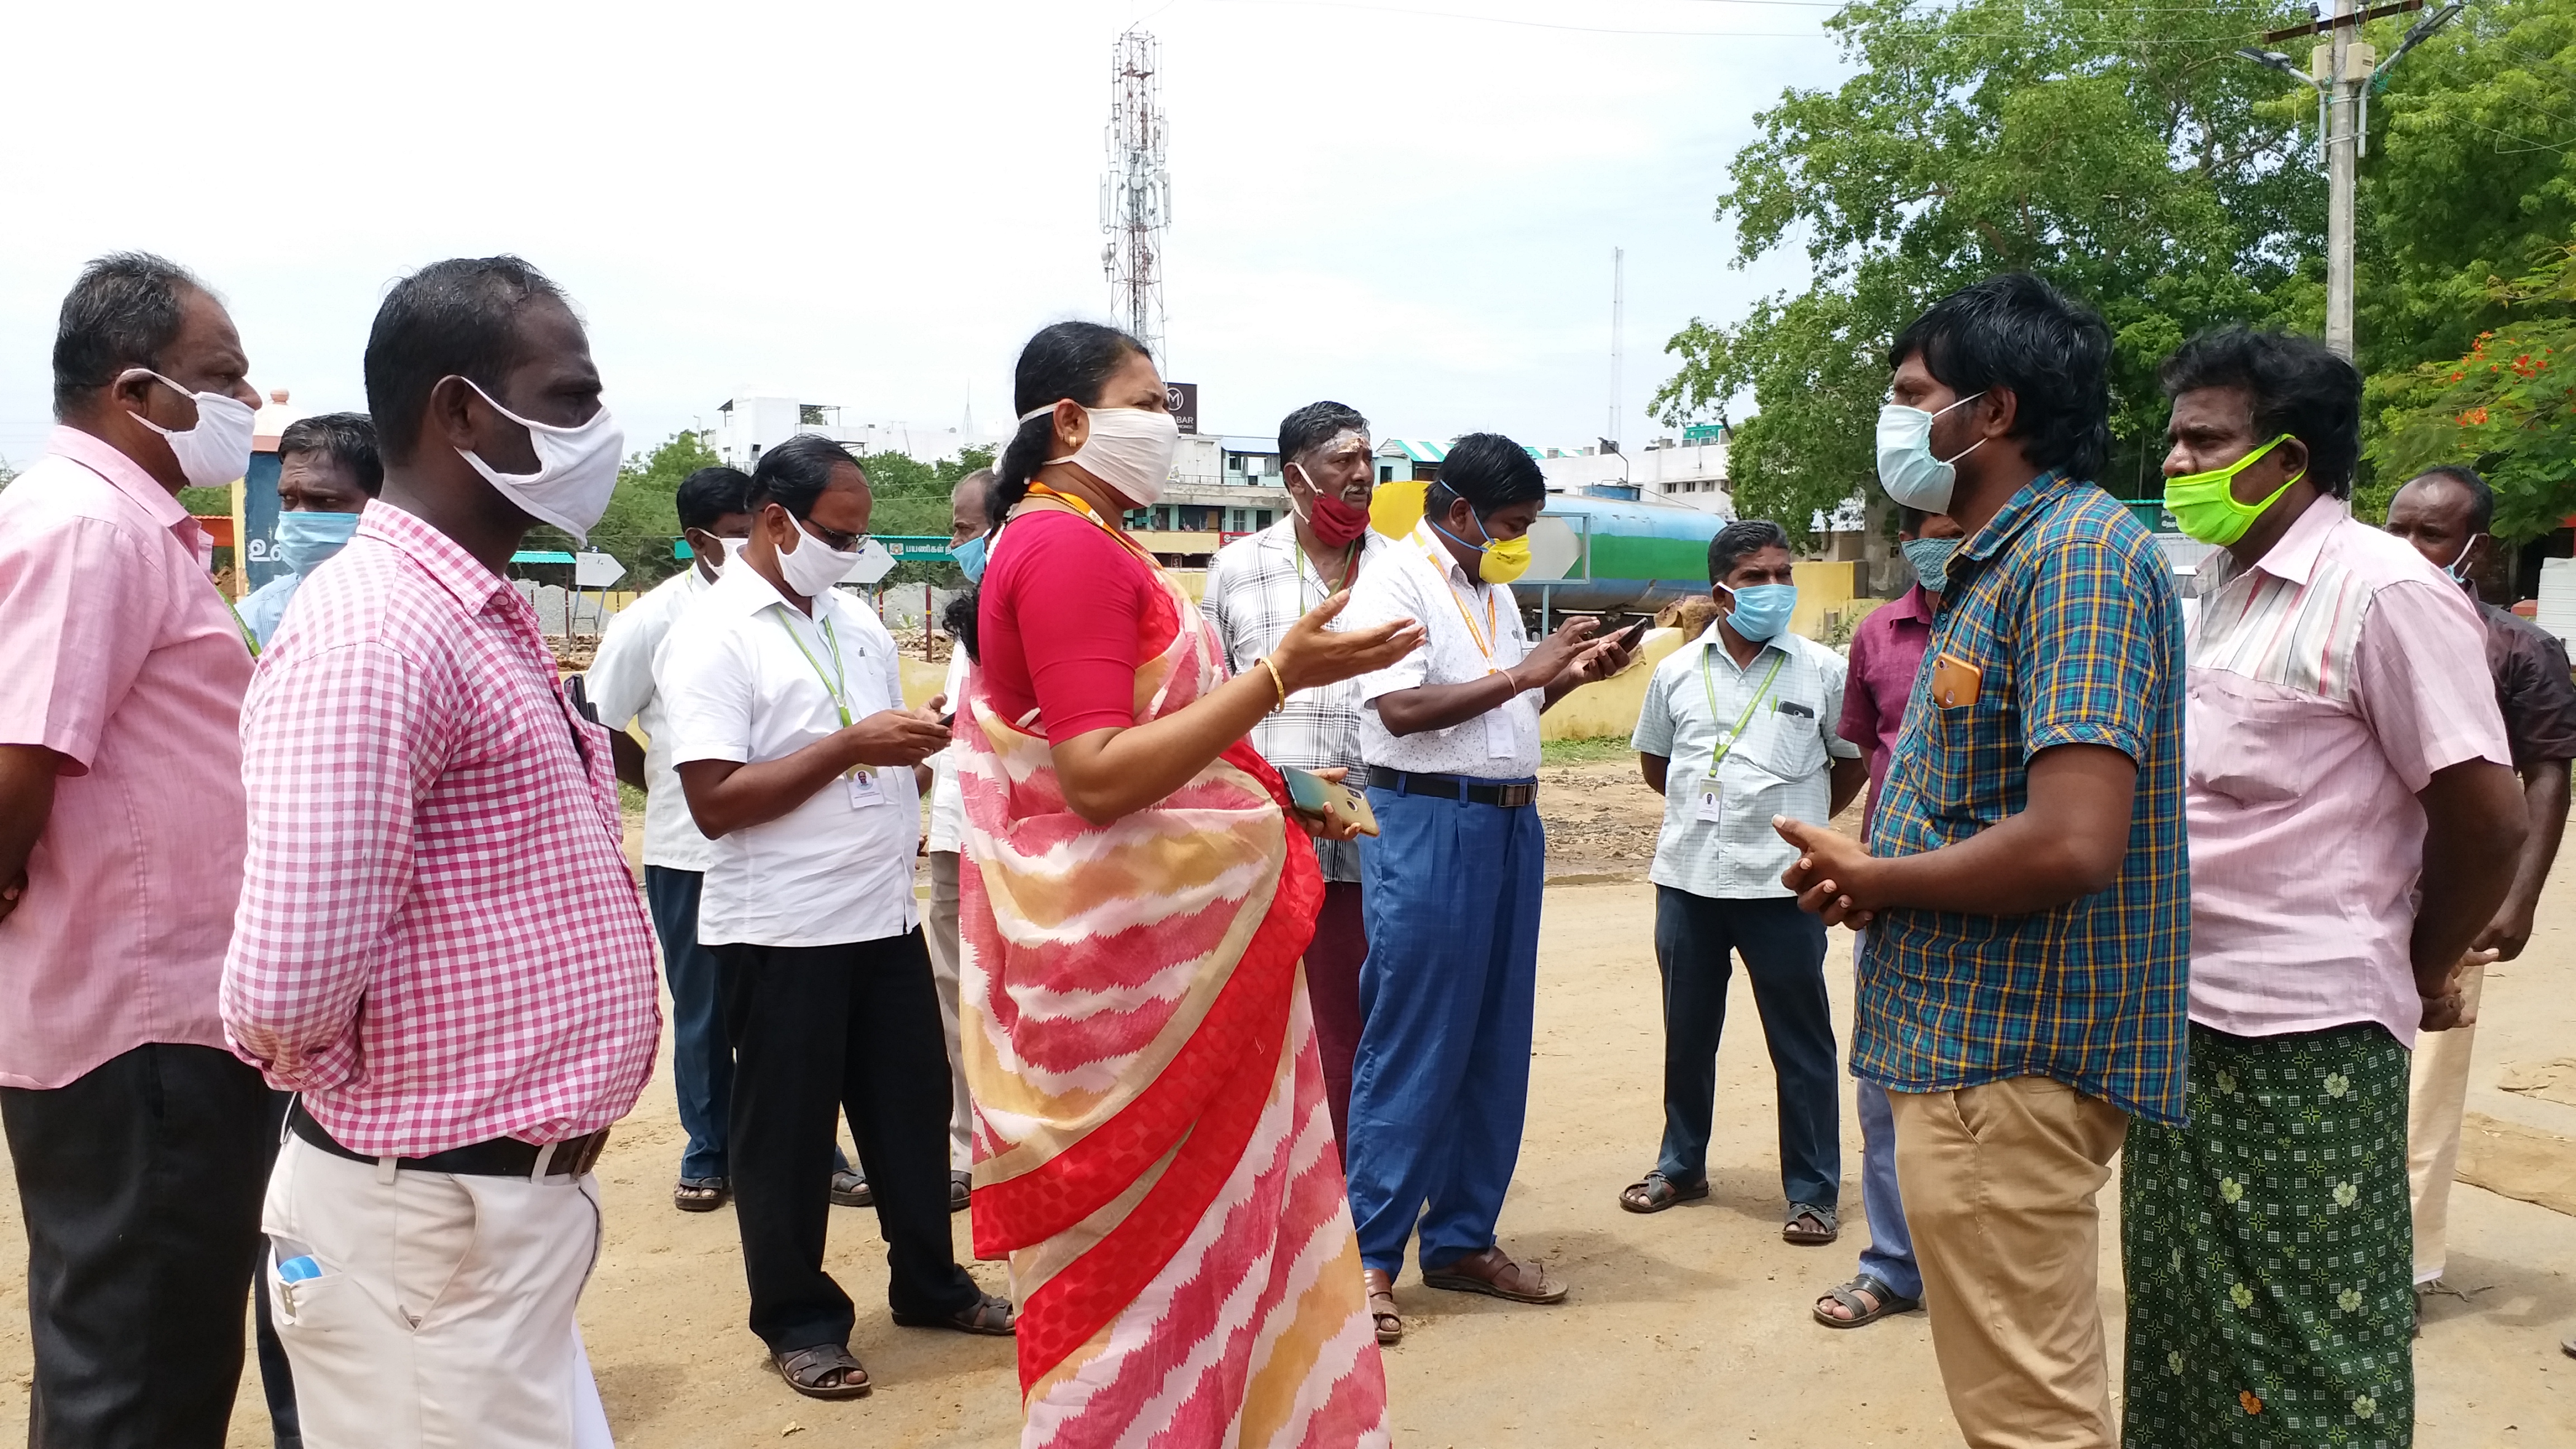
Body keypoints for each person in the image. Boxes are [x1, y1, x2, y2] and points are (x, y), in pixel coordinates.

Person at [222, 255, 662, 1449]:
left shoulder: (471, 611)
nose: (598, 431)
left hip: (486, 1216)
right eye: (571, 397)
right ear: (463, 410)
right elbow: (283, 994)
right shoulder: (375, 631)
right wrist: (411, 1116)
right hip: (424, 1216)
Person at [956, 320, 1420, 1444]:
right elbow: (1099, 776)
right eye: (1151, 403)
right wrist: (1276, 676)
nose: (1171, 428)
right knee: (1148, 1288)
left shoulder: (1092, 540)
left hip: (1166, 978)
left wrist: (1274, 780)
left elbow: (1159, 742)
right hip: (1130, 995)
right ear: (1071, 423)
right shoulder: (1063, 549)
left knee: (1218, 1255)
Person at [1773, 274, 2187, 1448]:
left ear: (1989, 412)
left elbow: (2072, 840)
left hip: (2010, 1056)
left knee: (2029, 1418)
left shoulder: (2079, 559)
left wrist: (1880, 878)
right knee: (2013, 1400)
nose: (1895, 419)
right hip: (1969, 1049)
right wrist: (1871, 864)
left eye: (1913, 395)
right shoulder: (2001, 562)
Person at [2116, 329, 2526, 1446]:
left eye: (2205, 440)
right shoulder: (2222, 589)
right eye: (2174, 439)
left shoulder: (2385, 593)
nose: (2177, 465)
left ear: (2289, 459)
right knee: (2188, 1326)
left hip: (2306, 1039)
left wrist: (2418, 966)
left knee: (2308, 1346)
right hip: (2184, 1017)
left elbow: (2489, 819)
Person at [660, 433, 1010, 1400]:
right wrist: (852, 743)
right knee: (785, 1138)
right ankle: (799, 1319)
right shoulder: (714, 632)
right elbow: (716, 799)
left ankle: (930, 1283)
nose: (852, 551)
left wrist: (916, 740)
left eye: (859, 536)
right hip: (779, 931)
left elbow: (858, 752)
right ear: (774, 520)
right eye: (838, 532)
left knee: (905, 1117)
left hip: (879, 918)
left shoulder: (851, 618)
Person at [0, 252, 276, 1449]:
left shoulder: (122, 528)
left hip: (157, 1018)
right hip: (142, 1026)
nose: (247, 403)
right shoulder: (90, 529)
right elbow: (20, 755)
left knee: (130, 1349)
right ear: (138, 392)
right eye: (222, 377)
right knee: (142, 1370)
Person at [1338, 432, 1635, 1345]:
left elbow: (1502, 706)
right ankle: (1368, 1258)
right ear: (1459, 510)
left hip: (1509, 820)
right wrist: (1525, 670)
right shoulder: (1392, 581)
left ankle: (1462, 1239)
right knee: (1415, 1039)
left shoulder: (1489, 588)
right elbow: (1398, 711)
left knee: (1492, 1040)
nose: (1519, 540)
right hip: (1427, 823)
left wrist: (1566, 678)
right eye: (1511, 524)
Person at [1621, 518, 1864, 1249]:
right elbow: (1658, 767)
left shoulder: (1821, 670)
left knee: (1802, 1042)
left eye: (1783, 575)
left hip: (1783, 885)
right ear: (1722, 590)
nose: (1775, 590)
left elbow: (1848, 762)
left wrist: (1805, 822)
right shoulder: (1674, 672)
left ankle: (1814, 1191)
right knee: (1687, 1035)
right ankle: (1681, 1165)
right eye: (1757, 577)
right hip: (1689, 879)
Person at [2383, 464, 2576, 1310]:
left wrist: (2520, 897)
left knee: (2429, 1083)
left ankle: (2405, 1267)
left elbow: (2548, 770)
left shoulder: (2518, 647)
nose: (2412, 549)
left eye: (2432, 534)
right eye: (2398, 530)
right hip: (2355, 888)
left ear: (2477, 546)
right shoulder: (2366, 621)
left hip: (2456, 894)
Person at [1202, 400, 1390, 1154]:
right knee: (1261, 1021)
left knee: (1350, 1024)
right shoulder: (1237, 569)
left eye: (1368, 459)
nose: (1362, 474)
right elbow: (1208, 701)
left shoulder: (1400, 569)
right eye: (1343, 459)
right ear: (1296, 476)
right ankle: (1262, 1174)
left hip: (1369, 841)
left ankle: (1342, 1189)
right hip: (1266, 838)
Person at [1811, 505, 1963, 1330]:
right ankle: (1894, 1265)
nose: (1938, 543)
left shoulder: (2009, 616)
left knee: (1986, 1095)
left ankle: (1972, 1266)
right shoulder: (1877, 636)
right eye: (1923, 529)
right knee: (1883, 1089)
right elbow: (1865, 752)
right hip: (1891, 897)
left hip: (1986, 890)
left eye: (1953, 527)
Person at [918, 466, 997, 1211]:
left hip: (1011, 838)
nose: (956, 543)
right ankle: (964, 1148)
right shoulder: (967, 614)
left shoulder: (1030, 602)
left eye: (967, 528)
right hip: (956, 834)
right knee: (956, 1001)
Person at [239, 413, 383, 646]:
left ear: (382, 502)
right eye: (288, 499)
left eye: (326, 501)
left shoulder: (425, 608)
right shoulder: (251, 624)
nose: (299, 515)